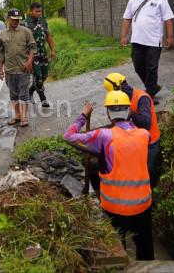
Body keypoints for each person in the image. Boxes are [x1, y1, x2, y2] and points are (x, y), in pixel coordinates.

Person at [64, 90, 154, 261]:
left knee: (118, 249)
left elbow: (68, 136)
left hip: (115, 208)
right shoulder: (144, 135)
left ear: (108, 113)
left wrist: (84, 115)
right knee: (146, 251)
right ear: (129, 111)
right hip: (143, 206)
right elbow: (132, 135)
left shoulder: (103, 136)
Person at [121, 0, 174, 105]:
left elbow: (168, 19)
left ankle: (150, 94)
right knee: (138, 66)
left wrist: (170, 36)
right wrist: (124, 36)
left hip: (153, 41)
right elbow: (127, 19)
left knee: (151, 68)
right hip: (137, 40)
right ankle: (153, 87)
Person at [103, 72, 161, 187]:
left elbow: (146, 124)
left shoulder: (141, 98)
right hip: (135, 142)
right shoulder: (122, 99)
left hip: (150, 144)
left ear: (118, 87)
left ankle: (150, 198)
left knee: (147, 174)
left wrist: (129, 113)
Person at [0, 8, 36, 127]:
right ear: (8, 19)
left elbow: (32, 48)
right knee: (13, 94)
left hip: (23, 69)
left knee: (23, 93)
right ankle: (18, 115)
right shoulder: (2, 34)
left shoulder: (26, 32)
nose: (15, 21)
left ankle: (24, 117)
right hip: (9, 70)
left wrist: (29, 61)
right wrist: (0, 69)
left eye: (17, 19)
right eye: (13, 19)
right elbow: (1, 53)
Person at [25, 2, 56, 107]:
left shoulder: (43, 21)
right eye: (36, 11)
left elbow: (48, 36)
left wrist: (53, 50)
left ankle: (30, 91)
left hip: (43, 52)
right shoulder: (25, 23)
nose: (39, 13)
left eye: (40, 11)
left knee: (45, 75)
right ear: (31, 11)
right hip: (32, 54)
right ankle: (43, 99)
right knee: (38, 76)